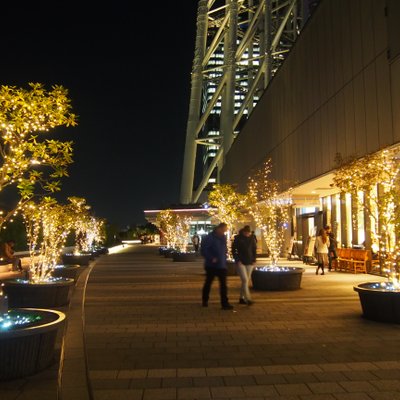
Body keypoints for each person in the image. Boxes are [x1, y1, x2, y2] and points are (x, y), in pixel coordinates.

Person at [200, 223, 234, 310]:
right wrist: (211, 258)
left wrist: (224, 257)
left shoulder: (223, 237)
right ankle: (205, 300)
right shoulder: (209, 237)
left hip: (221, 265)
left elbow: (223, 249)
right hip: (211, 265)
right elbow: (204, 250)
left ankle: (224, 303)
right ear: (219, 228)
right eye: (223, 230)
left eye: (225, 230)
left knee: (223, 285)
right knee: (208, 283)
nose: (224, 232)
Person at [232, 225, 257, 305]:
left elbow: (254, 249)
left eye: (249, 232)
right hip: (241, 262)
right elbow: (234, 250)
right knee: (245, 280)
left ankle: (241, 298)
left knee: (245, 281)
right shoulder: (238, 238)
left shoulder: (252, 238)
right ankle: (248, 299)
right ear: (243, 232)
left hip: (250, 261)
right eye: (246, 232)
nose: (248, 234)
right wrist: (237, 259)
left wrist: (254, 259)